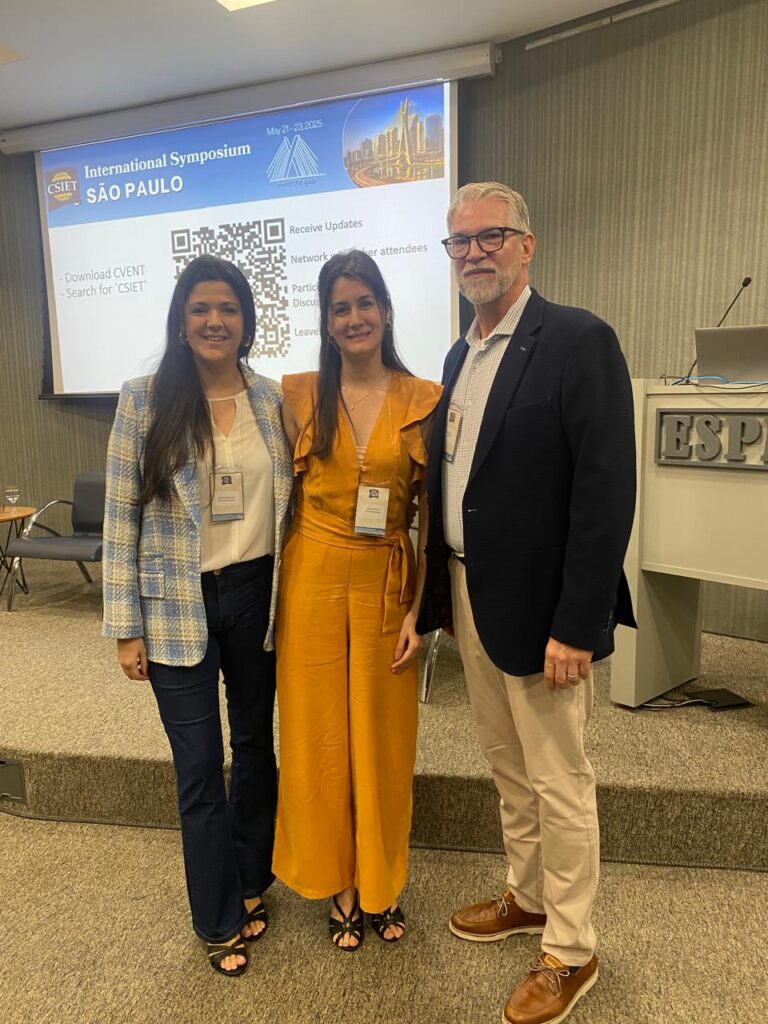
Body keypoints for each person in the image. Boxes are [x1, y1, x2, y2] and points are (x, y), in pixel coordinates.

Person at [417, 183, 636, 1024]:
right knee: (508, 766)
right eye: (460, 241)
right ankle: (530, 895)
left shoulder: (577, 340)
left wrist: (578, 622)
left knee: (558, 778)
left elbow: (605, 494)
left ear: (526, 245)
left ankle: (572, 949)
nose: (474, 253)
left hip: (545, 613)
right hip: (471, 593)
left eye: (491, 237)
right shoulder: (459, 356)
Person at [102, 255, 293, 976]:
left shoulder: (272, 399)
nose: (216, 321)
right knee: (199, 766)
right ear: (182, 321)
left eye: (229, 309)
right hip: (175, 600)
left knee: (255, 746)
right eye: (202, 309)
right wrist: (125, 627)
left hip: (255, 593)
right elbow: (121, 515)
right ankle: (216, 918)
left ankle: (250, 878)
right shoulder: (144, 400)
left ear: (247, 321)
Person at [273, 249, 442, 950]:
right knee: (316, 736)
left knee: (382, 740)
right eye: (339, 307)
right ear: (326, 320)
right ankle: (337, 883)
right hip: (311, 574)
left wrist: (420, 614)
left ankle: (380, 881)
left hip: (386, 580)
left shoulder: (424, 399)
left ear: (387, 310)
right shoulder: (297, 396)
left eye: (364, 303)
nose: (353, 318)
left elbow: (432, 520)